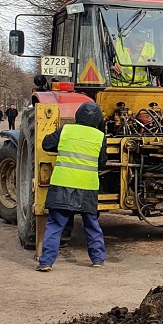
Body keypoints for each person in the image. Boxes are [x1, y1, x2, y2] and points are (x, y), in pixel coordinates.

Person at [37, 102, 108, 272]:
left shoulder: (66, 130)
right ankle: (98, 259)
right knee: (91, 224)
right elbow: (102, 162)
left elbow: (46, 144)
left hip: (63, 185)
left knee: (55, 225)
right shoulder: (100, 136)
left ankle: (46, 262)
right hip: (87, 187)